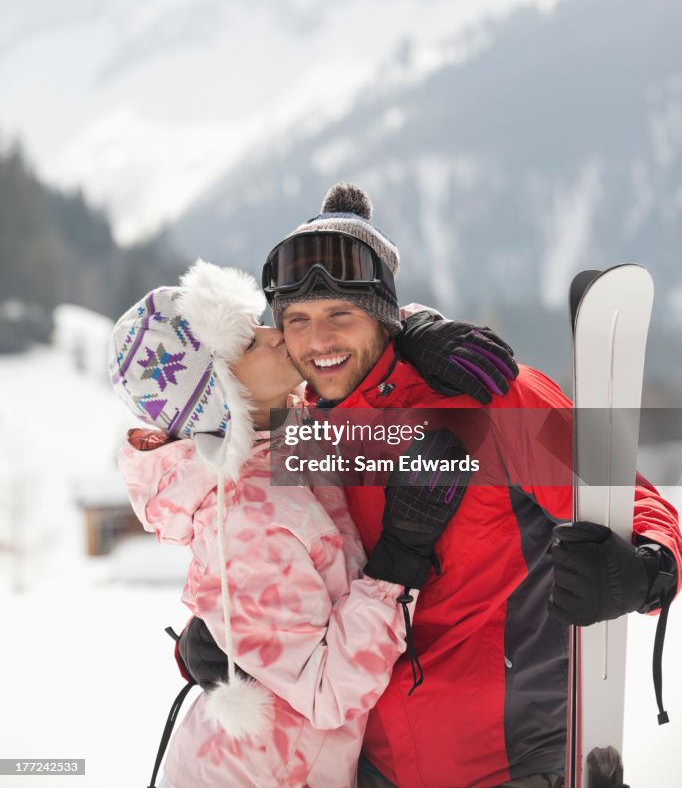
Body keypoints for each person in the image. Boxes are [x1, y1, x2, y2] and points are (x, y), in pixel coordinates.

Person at [179, 182, 682, 788]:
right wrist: (219, 634)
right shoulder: (299, 430)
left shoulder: (493, 400)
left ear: (384, 318)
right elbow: (265, 554)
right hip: (370, 768)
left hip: (514, 762)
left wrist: (648, 568)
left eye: (342, 314)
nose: (319, 341)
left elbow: (631, 496)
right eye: (298, 321)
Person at [109, 259, 517, 788]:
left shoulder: (278, 438)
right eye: (248, 344)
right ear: (219, 396)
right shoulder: (250, 517)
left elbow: (345, 363)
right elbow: (330, 691)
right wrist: (399, 556)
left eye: (256, 323)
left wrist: (412, 328)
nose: (275, 335)